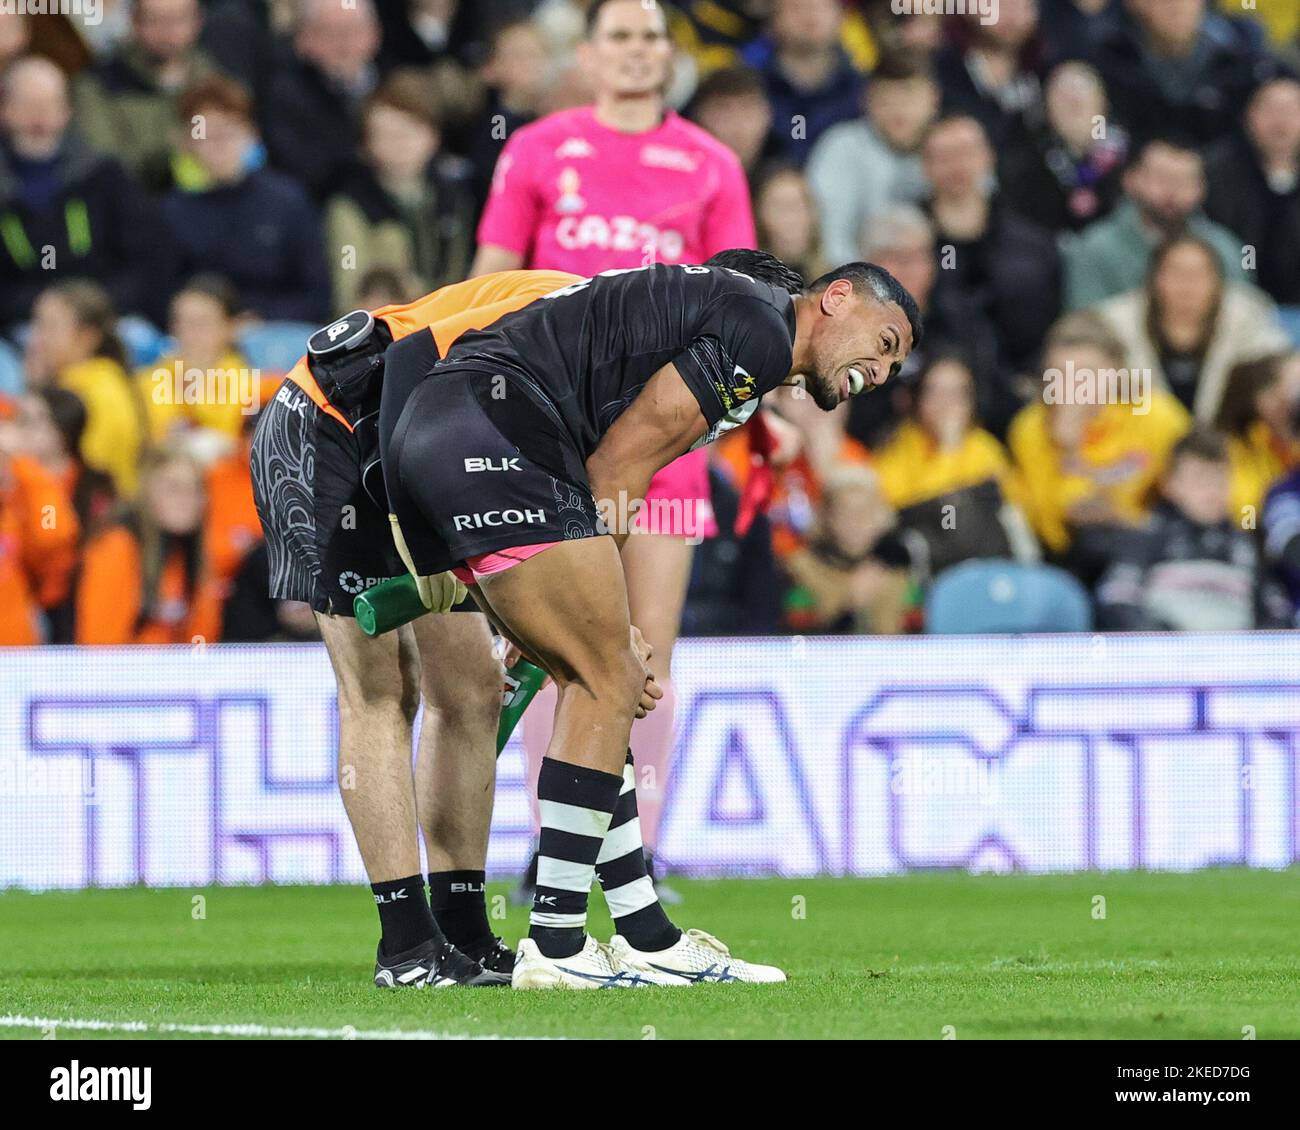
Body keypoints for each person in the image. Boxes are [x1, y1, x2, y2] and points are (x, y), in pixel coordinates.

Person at [377, 250, 921, 987]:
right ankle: (560, 944)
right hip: (491, 430)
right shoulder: (761, 332)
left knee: (600, 678)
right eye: (883, 345)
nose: (879, 374)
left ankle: (643, 931)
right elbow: (619, 467)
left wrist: (593, 626)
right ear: (837, 298)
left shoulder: (738, 322)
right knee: (610, 673)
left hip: (445, 429)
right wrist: (611, 617)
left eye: (892, 370)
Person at [472, 0, 757, 903]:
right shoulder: (537, 151)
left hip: (667, 438)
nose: (637, 52)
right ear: (590, 54)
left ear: (670, 57)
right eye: (621, 37)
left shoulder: (712, 164)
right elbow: (488, 284)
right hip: (552, 431)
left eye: (651, 38)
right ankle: (552, 844)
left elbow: (743, 306)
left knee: (648, 663)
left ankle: (644, 852)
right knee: (552, 653)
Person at [250, 268, 580, 990]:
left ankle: (461, 934)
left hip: (420, 457)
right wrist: (415, 533)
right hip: (327, 433)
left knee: (472, 688)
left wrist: (528, 596)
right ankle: (405, 946)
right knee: (383, 689)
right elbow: (405, 362)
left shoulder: (620, 336)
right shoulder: (584, 319)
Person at [1007, 310, 1189, 580]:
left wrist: (1120, 518)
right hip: (1069, 567)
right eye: (1059, 375)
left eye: (1086, 374)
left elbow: (1195, 498)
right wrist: (1068, 449)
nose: (1072, 388)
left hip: (1156, 558)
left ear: (1117, 370)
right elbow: (1056, 531)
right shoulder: (1031, 428)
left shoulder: (1157, 416)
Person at [0, 56, 161, 330]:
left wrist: (91, 308)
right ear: (5, 109)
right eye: (28, 104)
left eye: (50, 104)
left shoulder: (104, 175)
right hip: (22, 328)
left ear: (67, 111)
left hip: (106, 319)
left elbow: (143, 261)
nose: (39, 116)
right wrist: (41, 308)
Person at [162, 75, 331, 324]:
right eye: (205, 135)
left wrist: (263, 319)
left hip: (276, 335)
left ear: (251, 133)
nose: (218, 145)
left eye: (228, 132)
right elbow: (161, 295)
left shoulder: (287, 200)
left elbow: (317, 293)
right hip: (199, 338)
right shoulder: (172, 212)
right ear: (187, 143)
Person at [1095, 427, 1290, 631]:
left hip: (1235, 658)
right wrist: (1162, 642)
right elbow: (1117, 596)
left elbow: (1276, 609)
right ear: (1170, 484)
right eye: (1200, 479)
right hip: (1166, 657)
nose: (1212, 491)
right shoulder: (1147, 535)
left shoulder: (1245, 543)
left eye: (1219, 480)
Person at [871, 353, 1036, 582]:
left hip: (983, 556)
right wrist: (948, 451)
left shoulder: (983, 447)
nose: (946, 403)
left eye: (958, 393)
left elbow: (1011, 508)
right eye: (935, 391)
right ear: (918, 398)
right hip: (925, 562)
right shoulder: (897, 447)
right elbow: (908, 508)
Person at [324, 72, 476, 312]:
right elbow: (349, 288)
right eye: (385, 134)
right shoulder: (350, 206)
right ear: (366, 145)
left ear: (433, 135)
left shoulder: (454, 197)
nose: (400, 143)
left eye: (411, 130)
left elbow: (464, 275)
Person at [1063, 136, 1250, 311]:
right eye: (1161, 177)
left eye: (1185, 180)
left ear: (1202, 188)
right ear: (1130, 180)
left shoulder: (1224, 249)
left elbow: (1243, 318)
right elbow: (1084, 327)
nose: (1172, 191)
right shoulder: (1094, 249)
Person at [75, 444, 224, 645]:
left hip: (178, 672)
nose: (186, 499)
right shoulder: (116, 545)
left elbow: (203, 639)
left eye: (196, 488)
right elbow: (100, 646)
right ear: (147, 492)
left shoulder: (189, 551)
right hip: (126, 672)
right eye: (173, 488)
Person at [72, 0, 223, 188]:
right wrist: (170, 157)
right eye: (155, 20)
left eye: (178, 19)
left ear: (198, 21)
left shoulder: (215, 83)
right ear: (134, 21)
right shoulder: (99, 86)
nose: (168, 31)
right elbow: (102, 164)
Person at [805, 52, 937, 265]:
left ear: (933, 99)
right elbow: (829, 238)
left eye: (909, 97)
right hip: (861, 286)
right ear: (866, 102)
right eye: (886, 100)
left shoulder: (953, 145)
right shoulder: (842, 147)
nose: (899, 111)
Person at [23, 281, 145, 499]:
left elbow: (86, 470)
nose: (37, 339)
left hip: (98, 516)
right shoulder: (63, 382)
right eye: (37, 325)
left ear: (88, 335)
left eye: (50, 327)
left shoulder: (102, 391)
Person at [1203, 76, 1300, 309]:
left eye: (1291, 110)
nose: (1281, 121)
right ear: (1249, 116)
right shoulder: (1215, 171)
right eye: (1271, 109)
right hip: (1231, 301)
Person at [998, 61, 1128, 234]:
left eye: (1083, 91)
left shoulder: (1125, 157)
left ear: (1103, 103)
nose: (1073, 98)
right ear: (1046, 107)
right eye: (1063, 94)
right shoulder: (1025, 156)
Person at [782, 465, 913, 634]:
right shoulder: (798, 570)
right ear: (825, 516)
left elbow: (915, 641)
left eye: (865, 512)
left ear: (882, 516)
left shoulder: (899, 572)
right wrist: (850, 606)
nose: (856, 523)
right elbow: (797, 644)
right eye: (844, 512)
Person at [138, 274, 252, 445]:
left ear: (230, 327)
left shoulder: (247, 383)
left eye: (201, 323)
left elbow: (232, 438)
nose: (189, 333)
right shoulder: (151, 378)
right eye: (181, 322)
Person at [1213, 353, 1300, 518]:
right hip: (1256, 528)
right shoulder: (1240, 443)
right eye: (1271, 392)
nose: (1281, 399)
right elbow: (1245, 509)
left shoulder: (1290, 436)